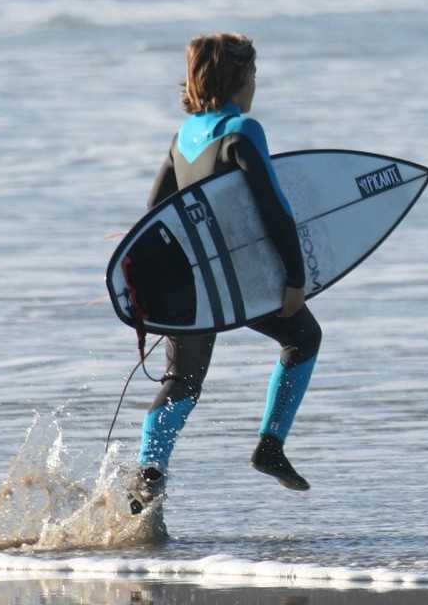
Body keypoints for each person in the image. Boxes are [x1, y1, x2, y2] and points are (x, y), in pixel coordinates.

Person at [129, 33, 321, 516]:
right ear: (239, 80)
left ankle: (147, 476)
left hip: (191, 285)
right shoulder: (242, 130)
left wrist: (159, 290)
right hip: (238, 280)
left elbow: (155, 211)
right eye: (253, 75)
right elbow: (275, 211)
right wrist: (294, 278)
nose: (256, 85)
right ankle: (270, 445)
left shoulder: (183, 137)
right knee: (303, 336)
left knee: (182, 382)